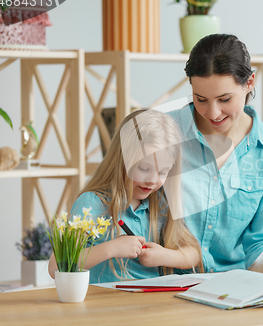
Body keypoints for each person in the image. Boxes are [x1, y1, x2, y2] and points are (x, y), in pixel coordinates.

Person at [168, 34, 263, 279]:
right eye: (200, 99)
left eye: (225, 99)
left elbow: (262, 237)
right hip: (163, 281)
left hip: (233, 283)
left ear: (249, 83)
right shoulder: (164, 133)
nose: (212, 113)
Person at [48, 109, 202, 283]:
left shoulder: (160, 203)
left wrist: (165, 256)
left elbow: (195, 254)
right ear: (121, 160)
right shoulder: (93, 203)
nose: (152, 180)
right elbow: (56, 266)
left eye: (163, 172)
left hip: (152, 303)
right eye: (143, 169)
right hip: (105, 304)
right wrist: (111, 249)